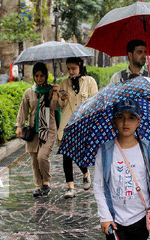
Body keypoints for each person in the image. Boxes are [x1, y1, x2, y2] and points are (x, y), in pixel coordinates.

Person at [93, 99, 150, 240]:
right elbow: (99, 186)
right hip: (114, 218)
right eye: (120, 117)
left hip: (140, 218)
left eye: (131, 118)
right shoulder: (105, 151)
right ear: (114, 121)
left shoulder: (147, 149)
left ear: (138, 121)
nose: (125, 123)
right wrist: (104, 216)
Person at [16, 62, 60, 197]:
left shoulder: (52, 90)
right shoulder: (29, 92)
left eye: (42, 75)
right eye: (37, 75)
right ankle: (39, 186)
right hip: (33, 131)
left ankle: (46, 182)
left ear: (46, 76)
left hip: (49, 129)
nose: (39, 78)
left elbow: (55, 108)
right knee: (34, 160)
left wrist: (55, 94)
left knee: (42, 157)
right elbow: (23, 109)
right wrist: (19, 125)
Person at [58, 57, 98, 199]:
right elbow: (59, 106)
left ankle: (85, 173)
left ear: (80, 67)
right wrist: (61, 98)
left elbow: (95, 102)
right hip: (67, 124)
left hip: (83, 124)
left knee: (79, 154)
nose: (71, 71)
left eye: (73, 68)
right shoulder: (64, 83)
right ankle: (71, 187)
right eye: (68, 68)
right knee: (67, 155)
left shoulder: (89, 82)